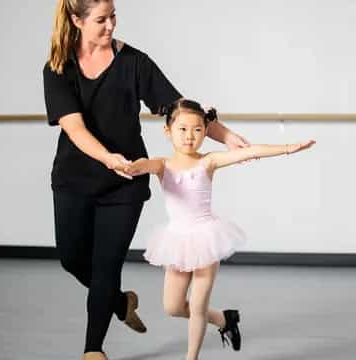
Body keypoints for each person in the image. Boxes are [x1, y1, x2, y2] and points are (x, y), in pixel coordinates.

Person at [42, 1, 249, 359]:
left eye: (113, 16)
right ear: (76, 20)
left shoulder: (134, 62)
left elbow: (180, 108)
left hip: (127, 181)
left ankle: (93, 349)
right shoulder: (58, 67)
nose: (111, 26)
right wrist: (107, 157)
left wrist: (227, 136)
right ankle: (120, 302)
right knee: (73, 258)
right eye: (101, 20)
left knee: (107, 265)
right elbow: (73, 127)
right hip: (74, 179)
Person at [124, 99, 316, 360]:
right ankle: (225, 319)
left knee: (199, 305)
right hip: (177, 240)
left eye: (197, 130)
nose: (190, 136)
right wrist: (129, 167)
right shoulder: (162, 165)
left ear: (206, 131)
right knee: (172, 307)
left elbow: (249, 152)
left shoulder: (209, 161)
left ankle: (191, 358)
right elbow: (143, 165)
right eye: (182, 129)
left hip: (206, 238)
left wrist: (288, 148)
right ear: (168, 131)